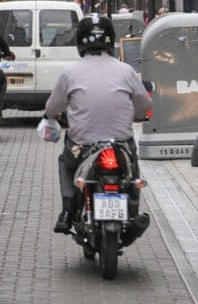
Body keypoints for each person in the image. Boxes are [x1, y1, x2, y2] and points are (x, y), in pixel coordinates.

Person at [45, 13, 150, 234]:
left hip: (81, 146)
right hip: (121, 144)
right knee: (132, 168)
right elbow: (143, 106)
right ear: (110, 40)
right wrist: (137, 115)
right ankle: (133, 206)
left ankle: (67, 209)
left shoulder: (70, 72)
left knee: (65, 162)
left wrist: (57, 115)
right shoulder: (126, 70)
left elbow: (51, 109)